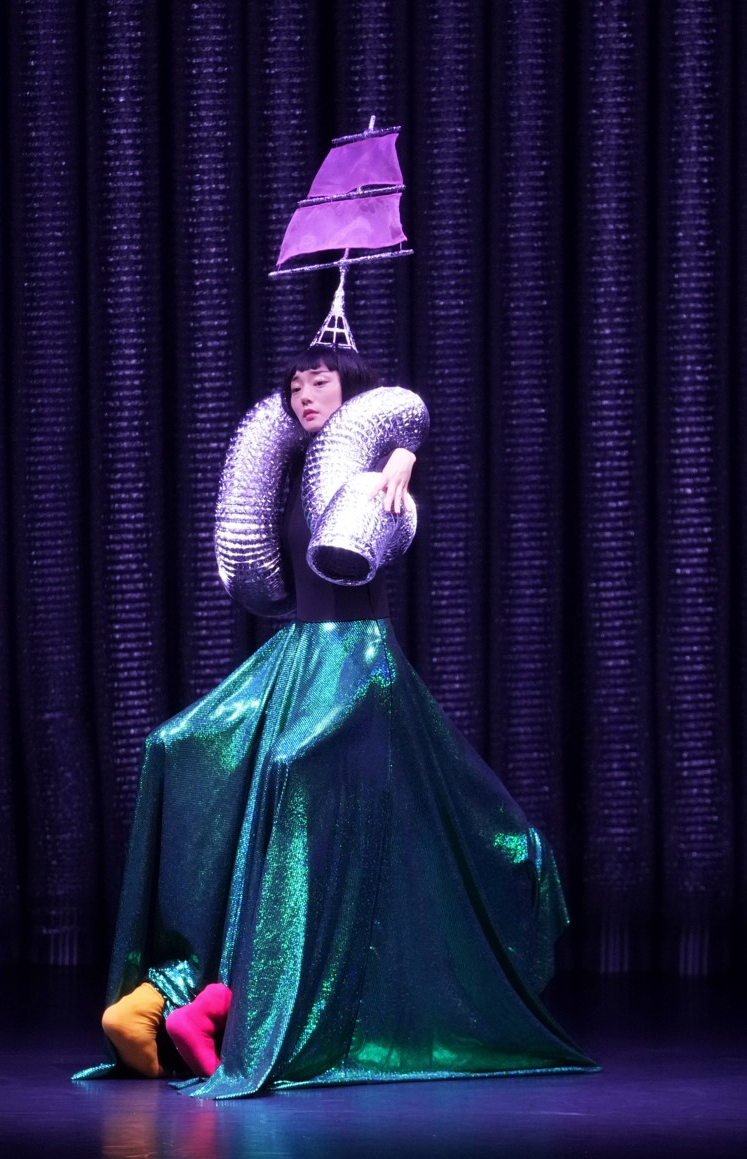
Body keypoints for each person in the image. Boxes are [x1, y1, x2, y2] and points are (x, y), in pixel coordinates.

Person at [72, 343, 597, 1100]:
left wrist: (404, 455)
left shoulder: (375, 474)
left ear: (351, 390)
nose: (304, 393)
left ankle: (217, 1006)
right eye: (295, 385)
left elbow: (397, 485)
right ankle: (168, 994)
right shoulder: (292, 474)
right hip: (296, 657)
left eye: (319, 381)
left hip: (358, 665)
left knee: (299, 789)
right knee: (180, 748)